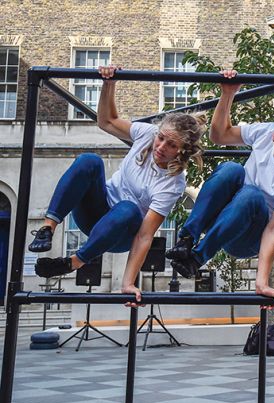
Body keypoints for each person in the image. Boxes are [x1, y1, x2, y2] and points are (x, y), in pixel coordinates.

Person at [29, 65, 204, 303]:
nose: (161, 148)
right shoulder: (147, 134)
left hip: (121, 231)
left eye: (171, 145)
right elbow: (107, 121)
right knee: (89, 161)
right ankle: (47, 228)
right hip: (95, 213)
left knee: (129, 208)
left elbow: (144, 236)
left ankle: (74, 262)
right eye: (161, 139)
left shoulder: (173, 183)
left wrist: (128, 283)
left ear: (182, 151)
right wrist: (108, 83)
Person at [166, 69, 274, 306]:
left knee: (252, 195)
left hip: (249, 238)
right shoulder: (265, 132)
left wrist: (261, 282)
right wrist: (228, 93)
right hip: (227, 215)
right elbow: (219, 136)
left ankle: (197, 258)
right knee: (230, 169)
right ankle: (185, 240)